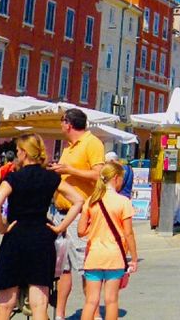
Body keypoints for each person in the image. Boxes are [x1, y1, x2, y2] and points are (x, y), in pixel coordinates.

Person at [0, 134, 86, 320]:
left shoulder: (14, 177)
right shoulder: (51, 177)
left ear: (24, 153)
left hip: (16, 237)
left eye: (18, 151)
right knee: (39, 303)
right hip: (42, 237)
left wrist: (2, 227)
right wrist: (60, 227)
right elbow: (79, 200)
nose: (17, 154)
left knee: (6, 302)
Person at [47, 108, 106, 320]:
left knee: (85, 265)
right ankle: (60, 315)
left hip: (81, 213)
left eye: (62, 122)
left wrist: (69, 170)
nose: (60, 125)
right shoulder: (69, 147)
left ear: (68, 124)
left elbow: (99, 175)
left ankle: (94, 313)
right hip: (60, 213)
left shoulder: (92, 143)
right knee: (62, 267)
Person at [77, 161, 139, 320]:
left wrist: (94, 227)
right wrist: (134, 257)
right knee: (111, 300)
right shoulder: (123, 202)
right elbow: (128, 233)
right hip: (114, 256)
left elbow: (80, 231)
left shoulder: (91, 201)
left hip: (94, 255)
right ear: (116, 178)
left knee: (91, 301)